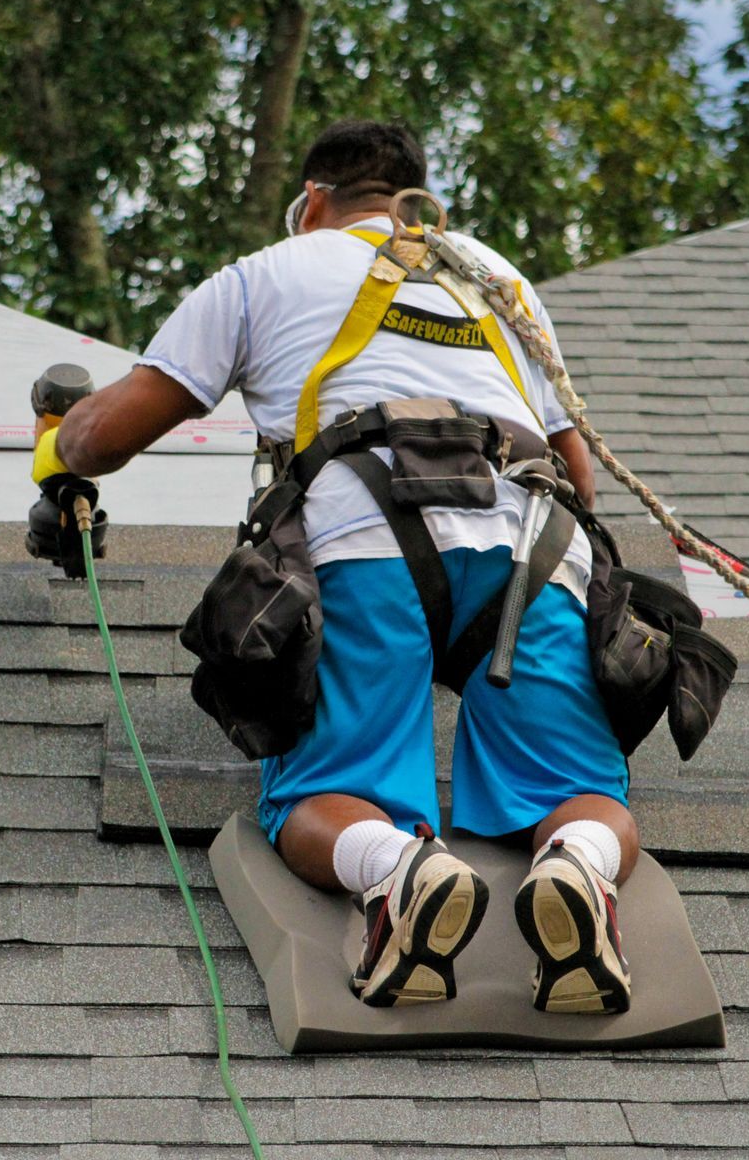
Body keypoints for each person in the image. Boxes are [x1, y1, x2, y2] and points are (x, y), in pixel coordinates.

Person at [32, 120, 636, 1014]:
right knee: (579, 786)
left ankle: (398, 873)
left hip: (370, 543)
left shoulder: (270, 273)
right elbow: (580, 476)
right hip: (535, 552)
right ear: (413, 200)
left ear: (313, 202)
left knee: (323, 792)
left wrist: (59, 447)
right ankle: (578, 869)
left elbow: (104, 436)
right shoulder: (497, 280)